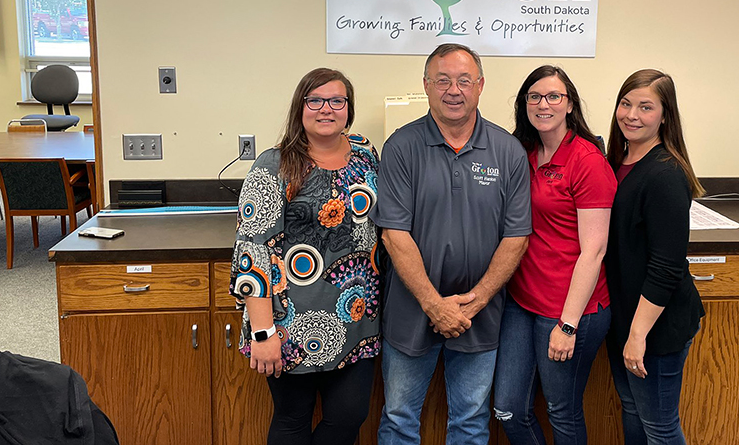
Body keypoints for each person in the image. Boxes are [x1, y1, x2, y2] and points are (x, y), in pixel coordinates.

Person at [372, 43, 532, 445]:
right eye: (442, 80)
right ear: (426, 85)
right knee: (399, 419)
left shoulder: (507, 151)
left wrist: (475, 301)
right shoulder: (401, 147)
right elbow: (394, 233)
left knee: (471, 422)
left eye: (464, 80)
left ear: (480, 86)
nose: (453, 90)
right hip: (411, 310)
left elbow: (516, 237)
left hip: (480, 314)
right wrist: (433, 304)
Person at [229, 68, 382, 445]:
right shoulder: (274, 165)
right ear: (301, 108)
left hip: (356, 317)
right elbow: (253, 250)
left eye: (336, 101)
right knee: (293, 418)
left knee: (350, 416)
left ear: (348, 108)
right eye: (315, 101)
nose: (326, 109)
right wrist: (264, 332)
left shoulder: (365, 152)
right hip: (288, 322)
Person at [493, 65, 617, 445]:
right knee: (508, 407)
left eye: (553, 96)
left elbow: (594, 251)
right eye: (534, 96)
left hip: (569, 308)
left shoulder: (586, 159)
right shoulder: (522, 151)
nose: (543, 104)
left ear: (569, 104)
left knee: (562, 412)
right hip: (523, 300)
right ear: (524, 104)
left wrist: (567, 325)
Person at [604, 69, 706, 445]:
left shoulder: (664, 174)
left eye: (646, 107)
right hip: (627, 319)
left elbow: (666, 268)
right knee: (634, 412)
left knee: (660, 428)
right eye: (626, 103)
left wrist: (636, 336)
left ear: (665, 115)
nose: (631, 115)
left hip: (654, 328)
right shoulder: (619, 160)